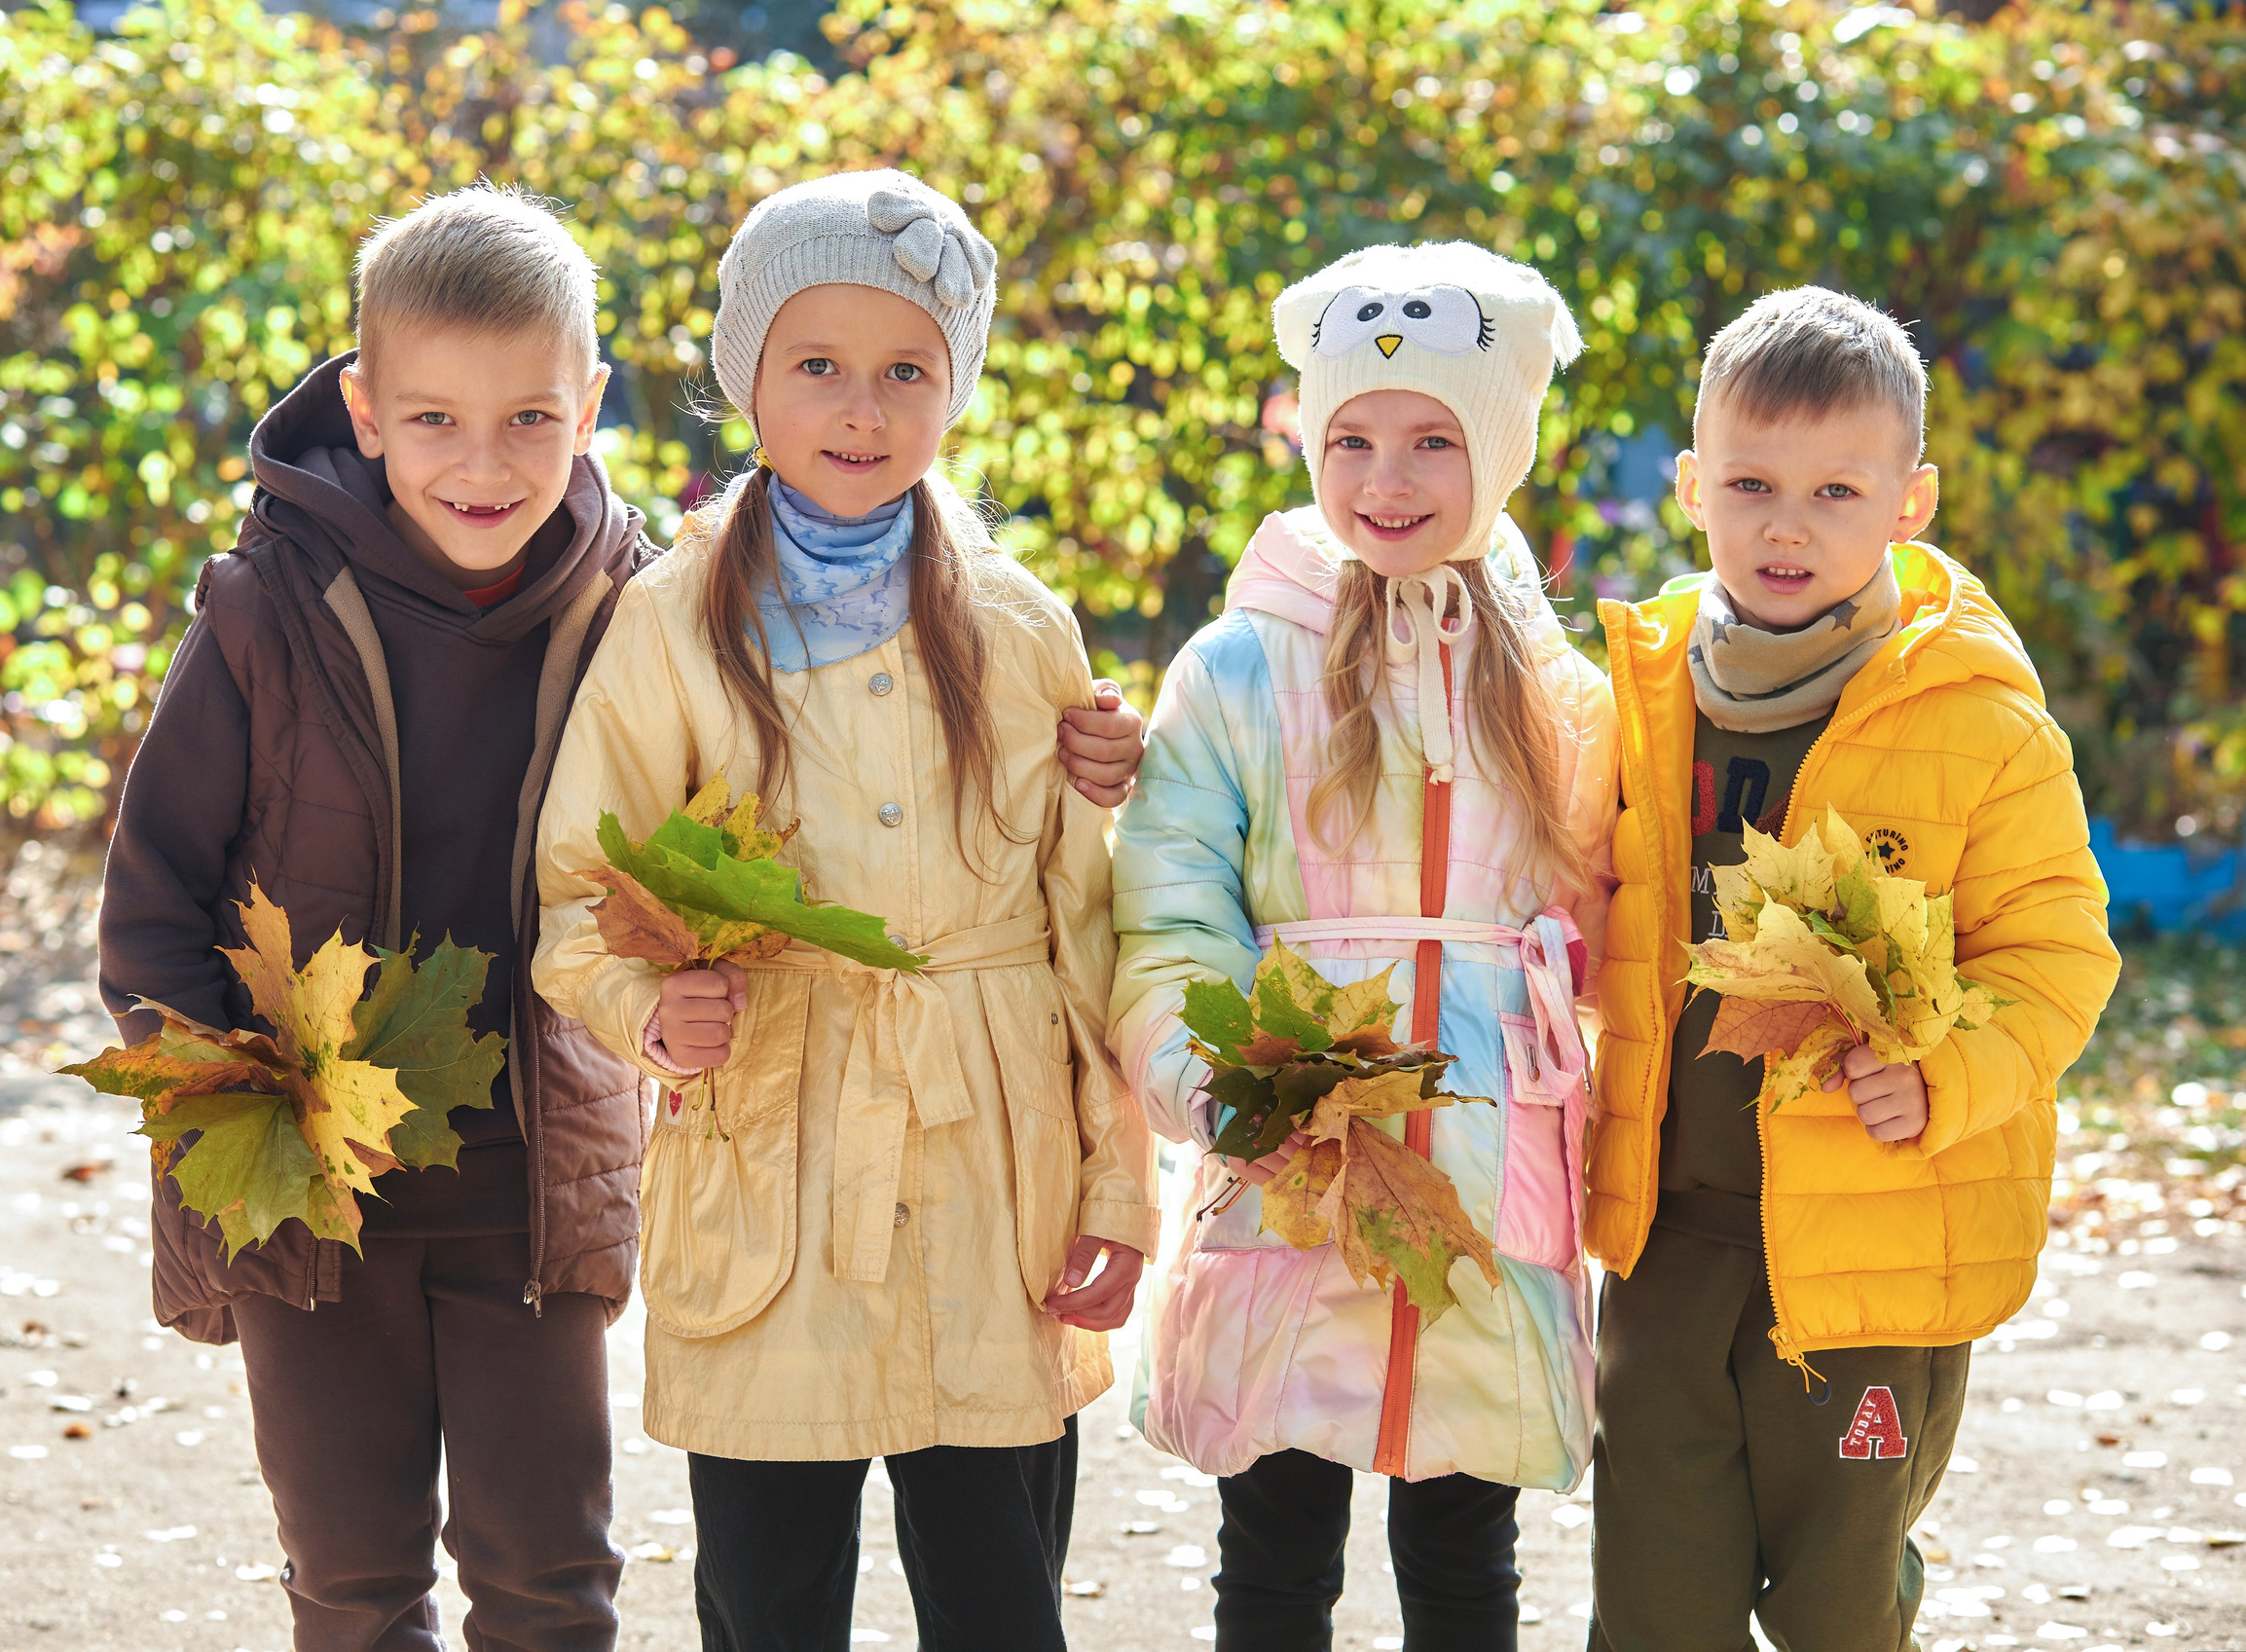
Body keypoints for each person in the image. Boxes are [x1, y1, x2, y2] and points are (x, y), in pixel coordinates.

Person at [97, 181, 1144, 1652]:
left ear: (589, 405)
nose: (484, 460)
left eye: (530, 417)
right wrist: (235, 1110)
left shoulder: (639, 594)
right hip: (321, 1172)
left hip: (538, 1162)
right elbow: (159, 911)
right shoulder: (300, 612)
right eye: (438, 418)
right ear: (367, 405)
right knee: (353, 1577)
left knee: (552, 1579)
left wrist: (1104, 758)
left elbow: (1010, 869)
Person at [530, 168, 1158, 1652]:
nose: (860, 410)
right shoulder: (673, 625)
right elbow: (578, 894)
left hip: (994, 1172)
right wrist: (648, 1010)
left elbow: (1091, 932)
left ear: (956, 391)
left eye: (905, 373)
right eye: (817, 367)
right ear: (749, 376)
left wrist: (1119, 1194)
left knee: (1002, 1597)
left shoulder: (1018, 628)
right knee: (767, 1596)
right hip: (776, 1166)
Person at [1583, 286, 2121, 1650]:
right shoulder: (1636, 698)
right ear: (1693, 485)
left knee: (1837, 1596)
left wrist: (1945, 1069)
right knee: (1655, 1584)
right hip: (1677, 1223)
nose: (1786, 523)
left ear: (1910, 502)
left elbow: (2056, 952)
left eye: (1836, 490)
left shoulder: (1977, 717)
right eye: (1751, 483)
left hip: (1878, 1230)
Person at [1108, 241, 1618, 1650]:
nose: (1386, 479)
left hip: (1478, 1167)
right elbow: (1168, 901)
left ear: (1501, 452)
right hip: (1292, 1160)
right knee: (1274, 1553)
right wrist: (1215, 1075)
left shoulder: (1562, 693)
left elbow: (1608, 923)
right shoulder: (1234, 668)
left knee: (1465, 1555)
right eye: (1353, 439)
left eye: (1433, 441)